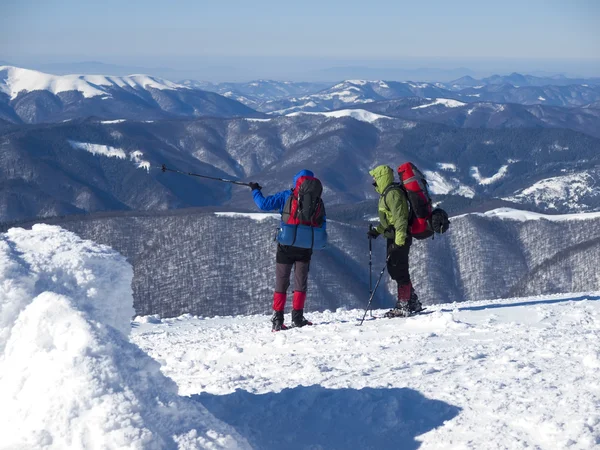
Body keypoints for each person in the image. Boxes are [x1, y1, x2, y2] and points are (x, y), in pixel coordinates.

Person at [249, 169, 325, 331]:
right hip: (305, 247)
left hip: (286, 245)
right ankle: (297, 318)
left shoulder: (286, 196)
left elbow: (263, 205)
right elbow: (321, 224)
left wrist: (255, 190)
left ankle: (278, 319)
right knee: (300, 283)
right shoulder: (318, 201)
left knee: (281, 283)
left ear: (297, 181)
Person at [367, 165, 422, 317]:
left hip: (400, 237)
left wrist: (398, 243)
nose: (373, 181)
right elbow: (390, 220)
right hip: (395, 237)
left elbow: (400, 219)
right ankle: (412, 302)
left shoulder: (392, 194)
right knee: (395, 269)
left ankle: (404, 305)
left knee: (399, 270)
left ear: (382, 178)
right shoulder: (387, 193)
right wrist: (377, 231)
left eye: (375, 178)